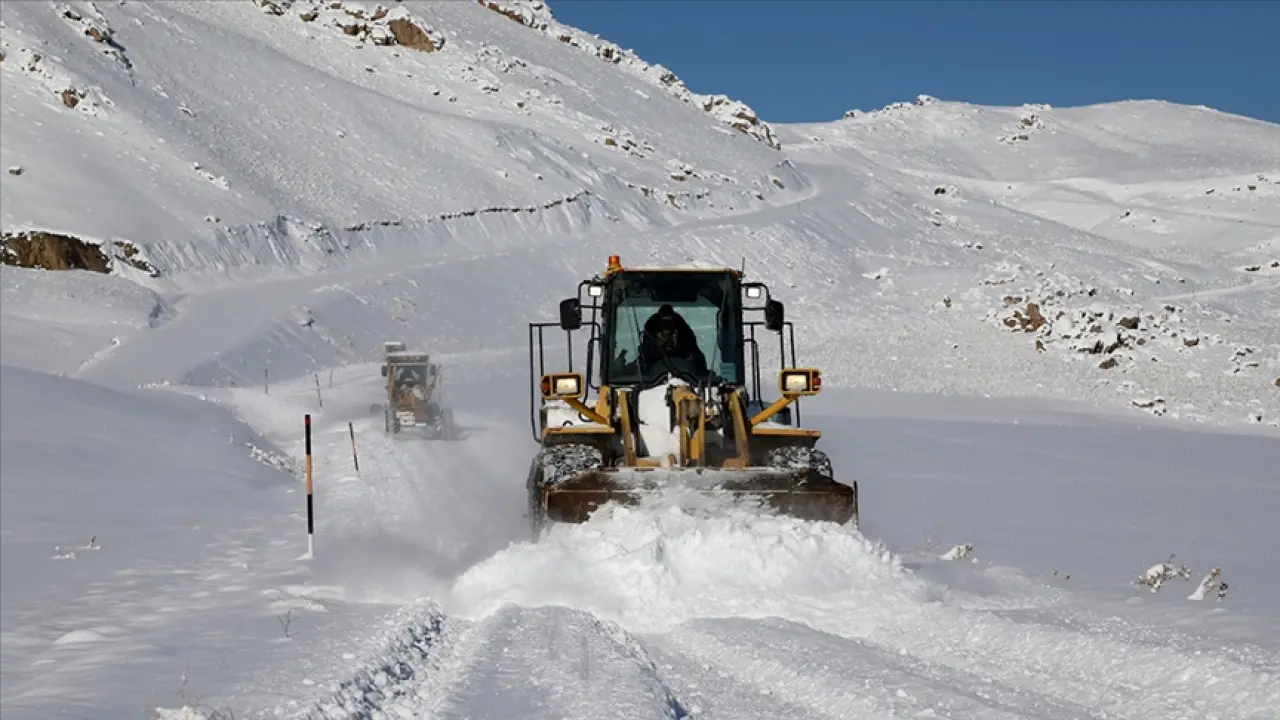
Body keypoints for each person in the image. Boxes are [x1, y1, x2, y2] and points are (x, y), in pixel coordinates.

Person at [638, 304, 709, 376]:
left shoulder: (693, 355)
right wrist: (655, 348)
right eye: (662, 336)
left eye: (670, 334)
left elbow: (703, 377)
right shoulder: (643, 360)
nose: (666, 339)